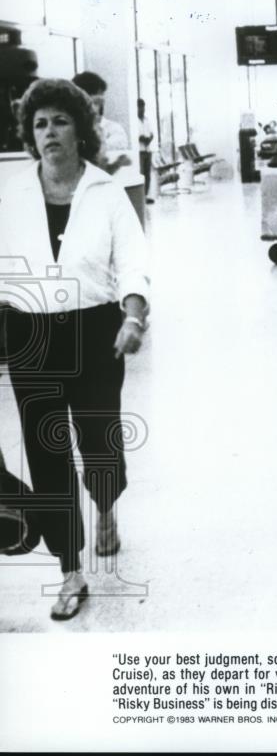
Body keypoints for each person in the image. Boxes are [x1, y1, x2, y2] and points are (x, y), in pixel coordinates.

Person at [0, 78, 150, 620]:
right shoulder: (11, 193)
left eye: (60, 121)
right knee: (47, 453)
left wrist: (133, 314)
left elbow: (134, 259)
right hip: (30, 334)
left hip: (94, 329)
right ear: (30, 134)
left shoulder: (105, 191)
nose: (49, 133)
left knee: (100, 446)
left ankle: (107, 506)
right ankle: (69, 570)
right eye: (40, 124)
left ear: (80, 130)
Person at [70, 71, 131, 174]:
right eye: (94, 102)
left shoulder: (113, 129)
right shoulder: (68, 129)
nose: (95, 108)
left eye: (98, 103)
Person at [135, 98, 155, 202]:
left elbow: (152, 134)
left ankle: (146, 196)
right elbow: (136, 136)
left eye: (143, 107)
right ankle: (141, 197)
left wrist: (149, 139)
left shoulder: (147, 120)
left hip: (148, 150)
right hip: (140, 151)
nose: (142, 109)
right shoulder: (135, 121)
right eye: (140, 107)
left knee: (147, 174)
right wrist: (143, 139)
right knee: (141, 174)